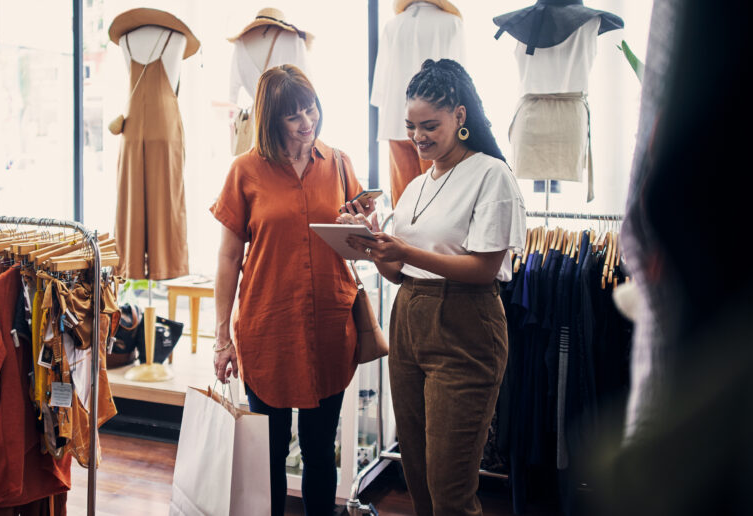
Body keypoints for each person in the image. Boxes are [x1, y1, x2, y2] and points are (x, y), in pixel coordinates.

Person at [340, 59, 526, 516]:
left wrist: (403, 249)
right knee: (419, 477)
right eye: (411, 127)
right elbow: (399, 274)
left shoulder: (491, 176)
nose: (418, 137)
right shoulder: (417, 186)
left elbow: (484, 269)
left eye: (430, 126)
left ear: (460, 117)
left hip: (465, 325)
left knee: (450, 487)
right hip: (408, 318)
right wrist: (373, 247)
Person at [210, 64, 368, 516]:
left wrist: (362, 229)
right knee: (269, 455)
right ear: (270, 119)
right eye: (293, 115)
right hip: (268, 330)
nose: (307, 121)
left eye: (311, 108)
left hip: (330, 328)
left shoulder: (338, 163)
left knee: (320, 452)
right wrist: (222, 339)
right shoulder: (244, 171)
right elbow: (227, 259)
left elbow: (358, 246)